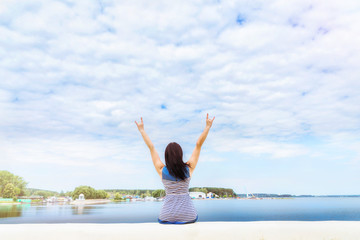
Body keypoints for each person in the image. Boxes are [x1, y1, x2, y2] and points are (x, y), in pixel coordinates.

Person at [135, 113, 215, 224]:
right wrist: (207, 127)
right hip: (188, 216)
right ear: (180, 154)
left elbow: (151, 147)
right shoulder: (188, 168)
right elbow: (198, 145)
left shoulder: (161, 170)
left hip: (166, 215)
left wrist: (142, 130)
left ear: (166, 156)